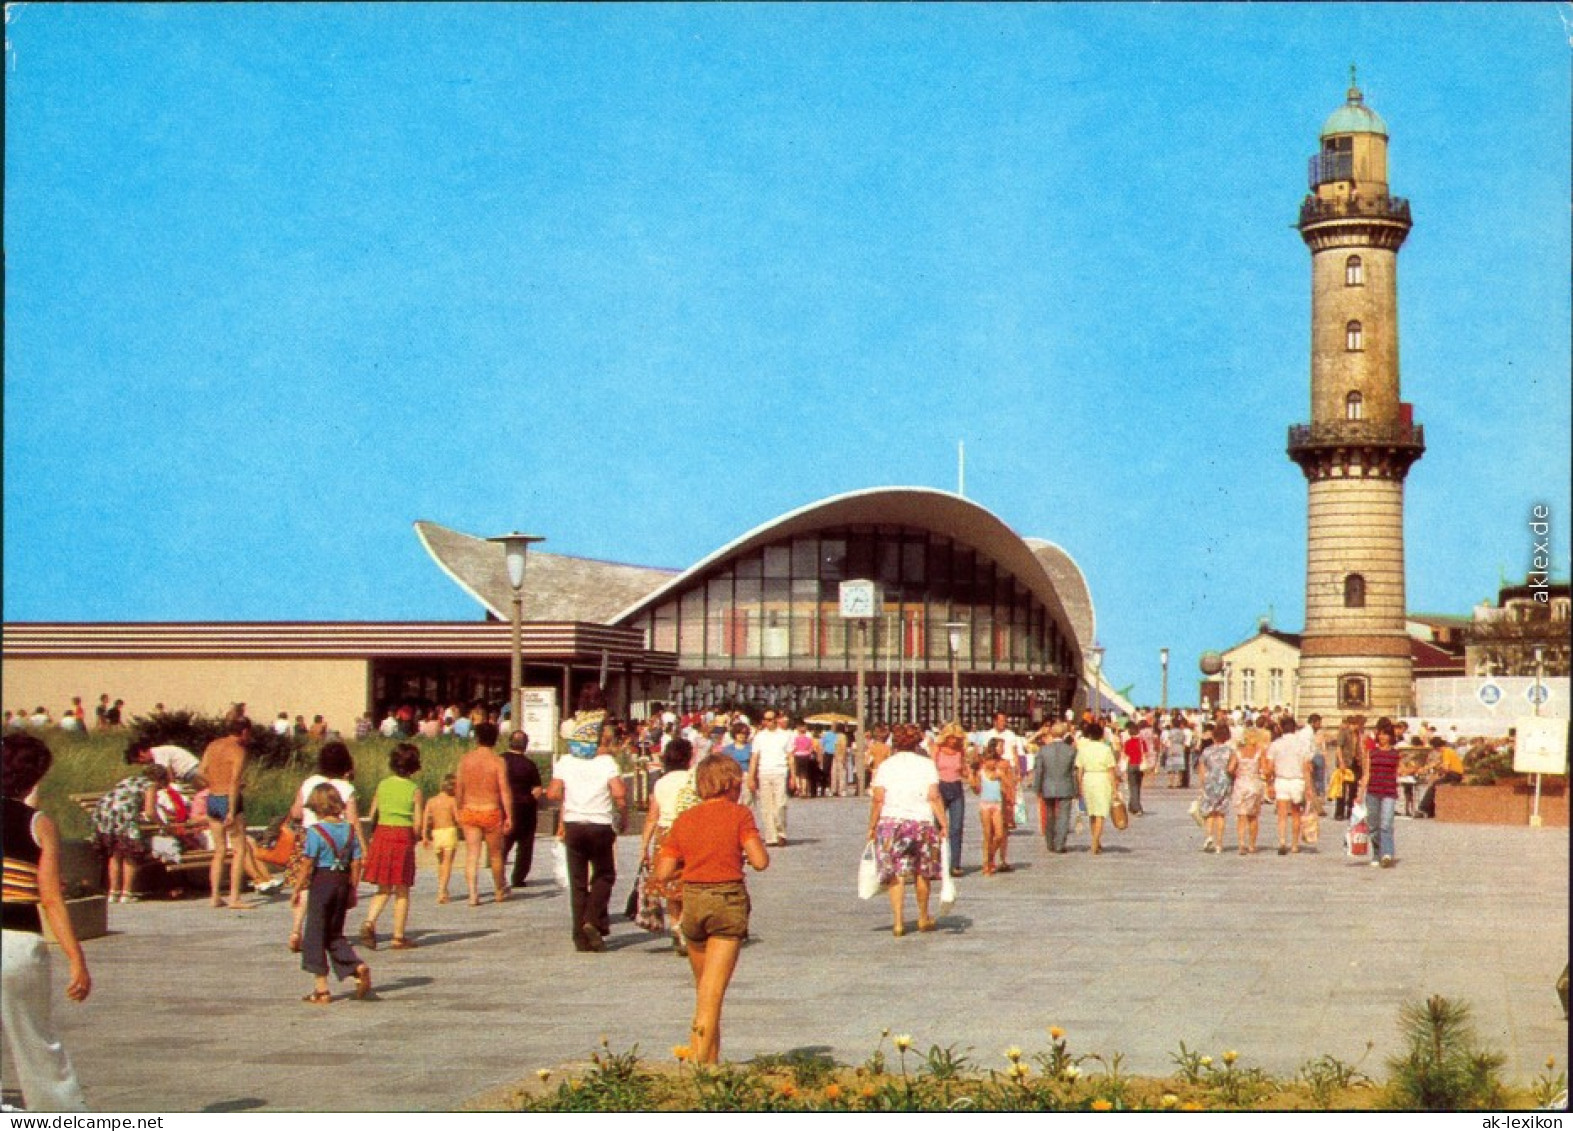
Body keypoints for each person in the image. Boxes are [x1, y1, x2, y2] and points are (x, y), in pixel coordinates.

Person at [652, 755, 769, 1064]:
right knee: (713, 992)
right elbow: (760, 861)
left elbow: (662, 871)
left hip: (692, 901)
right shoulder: (739, 815)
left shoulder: (684, 819)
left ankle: (708, 1058)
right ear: (730, 784)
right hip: (726, 900)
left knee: (704, 989)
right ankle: (699, 1067)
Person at [1, 733, 91, 1111]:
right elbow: (51, 899)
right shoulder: (38, 824)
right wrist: (77, 960)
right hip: (16, 941)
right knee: (35, 1039)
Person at [546, 722, 628, 952]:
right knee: (604, 874)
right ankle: (592, 920)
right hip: (600, 825)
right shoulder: (606, 763)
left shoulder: (565, 761)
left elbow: (552, 792)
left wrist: (568, 794)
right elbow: (620, 792)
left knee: (578, 881)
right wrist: (622, 812)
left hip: (574, 825)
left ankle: (579, 937)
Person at [866, 723, 947, 936]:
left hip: (891, 823)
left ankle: (898, 922)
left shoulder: (886, 766)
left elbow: (878, 799)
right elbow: (933, 796)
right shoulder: (927, 765)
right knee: (922, 872)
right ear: (917, 742)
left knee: (896, 874)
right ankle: (922, 917)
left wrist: (872, 826)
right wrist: (943, 823)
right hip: (921, 822)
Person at [287, 742, 364, 953]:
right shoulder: (345, 787)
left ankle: (296, 930)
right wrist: (362, 847)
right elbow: (353, 820)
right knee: (327, 886)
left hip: (308, 835)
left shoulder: (309, 782)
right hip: (335, 840)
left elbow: (295, 812)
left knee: (303, 885)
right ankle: (327, 931)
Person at [299, 784, 371, 1004]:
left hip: (322, 881)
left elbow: (308, 863)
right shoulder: (349, 830)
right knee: (335, 933)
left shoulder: (316, 831)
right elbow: (357, 862)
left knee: (314, 934)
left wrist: (297, 888)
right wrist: (352, 887)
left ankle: (321, 989)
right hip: (342, 882)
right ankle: (356, 966)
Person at [358, 744, 425, 951]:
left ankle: (369, 921)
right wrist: (416, 838)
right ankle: (398, 936)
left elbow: (372, 815)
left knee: (383, 886)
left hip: (382, 834)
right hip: (402, 835)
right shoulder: (414, 790)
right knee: (402, 888)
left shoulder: (382, 785)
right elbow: (418, 823)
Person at [637, 737, 697, 954]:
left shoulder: (661, 782)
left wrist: (644, 845)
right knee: (691, 881)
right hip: (691, 833)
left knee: (670, 884)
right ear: (689, 757)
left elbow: (653, 817)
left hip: (666, 834)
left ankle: (676, 927)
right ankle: (687, 928)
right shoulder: (695, 779)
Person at [454, 722, 514, 906]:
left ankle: (473, 894)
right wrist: (509, 815)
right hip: (491, 810)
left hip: (470, 809)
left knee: (472, 854)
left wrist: (458, 809)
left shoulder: (466, 760)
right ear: (495, 740)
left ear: (477, 738)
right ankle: (498, 890)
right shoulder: (498, 761)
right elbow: (504, 790)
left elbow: (459, 788)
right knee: (495, 854)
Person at [196, 716, 252, 909]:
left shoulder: (213, 746)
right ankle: (234, 897)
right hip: (228, 798)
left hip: (212, 797)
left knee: (219, 850)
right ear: (244, 731)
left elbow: (201, 772)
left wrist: (214, 781)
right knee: (239, 849)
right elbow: (235, 780)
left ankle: (215, 896)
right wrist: (231, 808)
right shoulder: (238, 751)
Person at [91, 752, 159, 903]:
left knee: (115, 855)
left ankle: (113, 892)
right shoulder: (151, 784)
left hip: (105, 814)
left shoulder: (129, 780)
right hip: (124, 816)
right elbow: (150, 812)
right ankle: (127, 893)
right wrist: (162, 825)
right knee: (130, 855)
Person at [1358, 719, 1402, 868]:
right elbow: (1366, 774)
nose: (1383, 737)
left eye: (1386, 734)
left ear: (1391, 736)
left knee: (1386, 824)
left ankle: (1387, 853)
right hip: (1373, 791)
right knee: (1373, 826)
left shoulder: (1396, 754)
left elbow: (1399, 771)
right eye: (1381, 734)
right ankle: (1377, 852)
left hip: (1389, 791)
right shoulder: (1372, 753)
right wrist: (1359, 794)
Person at [1031, 722, 1079, 854]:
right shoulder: (1071, 750)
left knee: (1049, 814)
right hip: (1066, 785)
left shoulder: (1044, 750)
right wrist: (1077, 789)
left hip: (1048, 786)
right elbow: (1073, 772)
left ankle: (1050, 841)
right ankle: (1060, 844)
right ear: (1064, 734)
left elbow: (1039, 770)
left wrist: (1037, 787)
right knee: (1064, 815)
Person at [1073, 721, 1119, 855]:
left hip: (1088, 779)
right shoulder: (1105, 749)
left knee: (1092, 813)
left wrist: (1079, 785)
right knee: (1100, 813)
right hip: (1102, 779)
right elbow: (1111, 770)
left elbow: (1079, 770)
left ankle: (1096, 840)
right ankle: (1095, 842)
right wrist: (1115, 789)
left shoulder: (1083, 749)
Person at [748, 710, 793, 847]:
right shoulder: (759, 737)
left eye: (771, 719)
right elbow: (754, 758)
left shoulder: (786, 735)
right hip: (764, 772)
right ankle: (771, 836)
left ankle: (781, 833)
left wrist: (793, 776)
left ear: (777, 719)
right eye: (766, 719)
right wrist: (751, 777)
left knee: (780, 804)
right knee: (766, 806)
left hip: (780, 771)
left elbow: (790, 757)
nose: (769, 722)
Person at [1268, 719, 1311, 855]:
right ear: (1295, 729)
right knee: (1296, 813)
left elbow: (1270, 767)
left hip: (1281, 780)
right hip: (1297, 781)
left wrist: (1269, 783)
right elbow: (1306, 768)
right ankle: (1294, 844)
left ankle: (1282, 841)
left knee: (1281, 814)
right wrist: (1309, 787)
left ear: (1281, 728)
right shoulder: (1302, 745)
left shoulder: (1275, 745)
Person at [969, 738, 1010, 875]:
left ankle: (990, 856)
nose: (991, 763)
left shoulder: (998, 773)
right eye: (988, 760)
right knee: (988, 834)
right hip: (985, 805)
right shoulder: (981, 773)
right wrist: (973, 779)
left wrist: (1006, 780)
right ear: (984, 761)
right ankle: (987, 863)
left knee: (999, 834)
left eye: (993, 760)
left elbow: (1009, 784)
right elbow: (976, 790)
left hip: (997, 805)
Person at [933, 725, 968, 876]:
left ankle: (955, 864)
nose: (954, 742)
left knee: (956, 827)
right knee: (936, 827)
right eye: (951, 738)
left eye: (957, 739)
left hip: (956, 787)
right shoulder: (937, 749)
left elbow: (964, 769)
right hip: (940, 787)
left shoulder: (960, 751)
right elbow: (931, 768)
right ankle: (935, 864)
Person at [1229, 727, 1269, 854]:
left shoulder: (1238, 752)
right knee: (1253, 817)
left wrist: (1237, 773)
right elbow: (1264, 769)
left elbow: (1230, 768)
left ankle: (1241, 844)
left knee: (1241, 816)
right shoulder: (1260, 752)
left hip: (1241, 784)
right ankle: (1252, 845)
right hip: (1254, 784)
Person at [1195, 723, 1234, 853]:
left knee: (1209, 812)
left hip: (1210, 781)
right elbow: (1232, 768)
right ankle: (1219, 844)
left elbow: (1201, 768)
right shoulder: (1230, 751)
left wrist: (1202, 783)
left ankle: (1209, 836)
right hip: (1224, 781)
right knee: (1221, 814)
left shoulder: (1207, 751)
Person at [422, 774, 461, 903]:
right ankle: (442, 890)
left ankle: (443, 890)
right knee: (448, 863)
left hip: (436, 833)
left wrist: (424, 835)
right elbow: (457, 818)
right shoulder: (452, 801)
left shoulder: (431, 801)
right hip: (449, 831)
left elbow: (426, 818)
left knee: (441, 863)